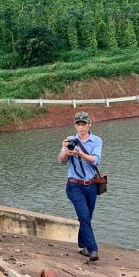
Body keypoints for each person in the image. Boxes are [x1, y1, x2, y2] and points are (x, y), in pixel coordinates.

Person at [59, 111, 103, 261]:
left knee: (86, 218)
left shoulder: (96, 141)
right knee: (84, 216)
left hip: (91, 186)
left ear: (89, 124)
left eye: (84, 124)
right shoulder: (70, 140)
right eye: (78, 124)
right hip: (74, 185)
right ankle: (93, 249)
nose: (81, 127)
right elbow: (61, 161)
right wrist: (66, 150)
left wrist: (80, 154)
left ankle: (81, 245)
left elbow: (95, 160)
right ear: (75, 125)